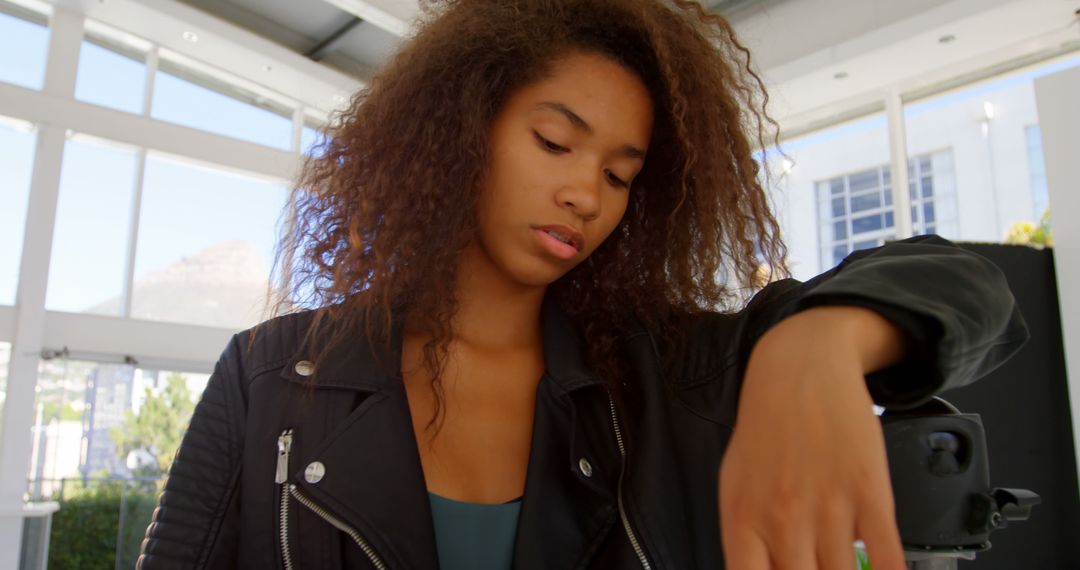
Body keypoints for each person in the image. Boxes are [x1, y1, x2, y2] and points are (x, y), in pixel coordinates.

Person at [136, 1, 1028, 569]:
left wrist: (817, 340)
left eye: (619, 174)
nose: (583, 194)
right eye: (556, 143)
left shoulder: (675, 375)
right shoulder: (270, 377)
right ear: (461, 131)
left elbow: (968, 284)